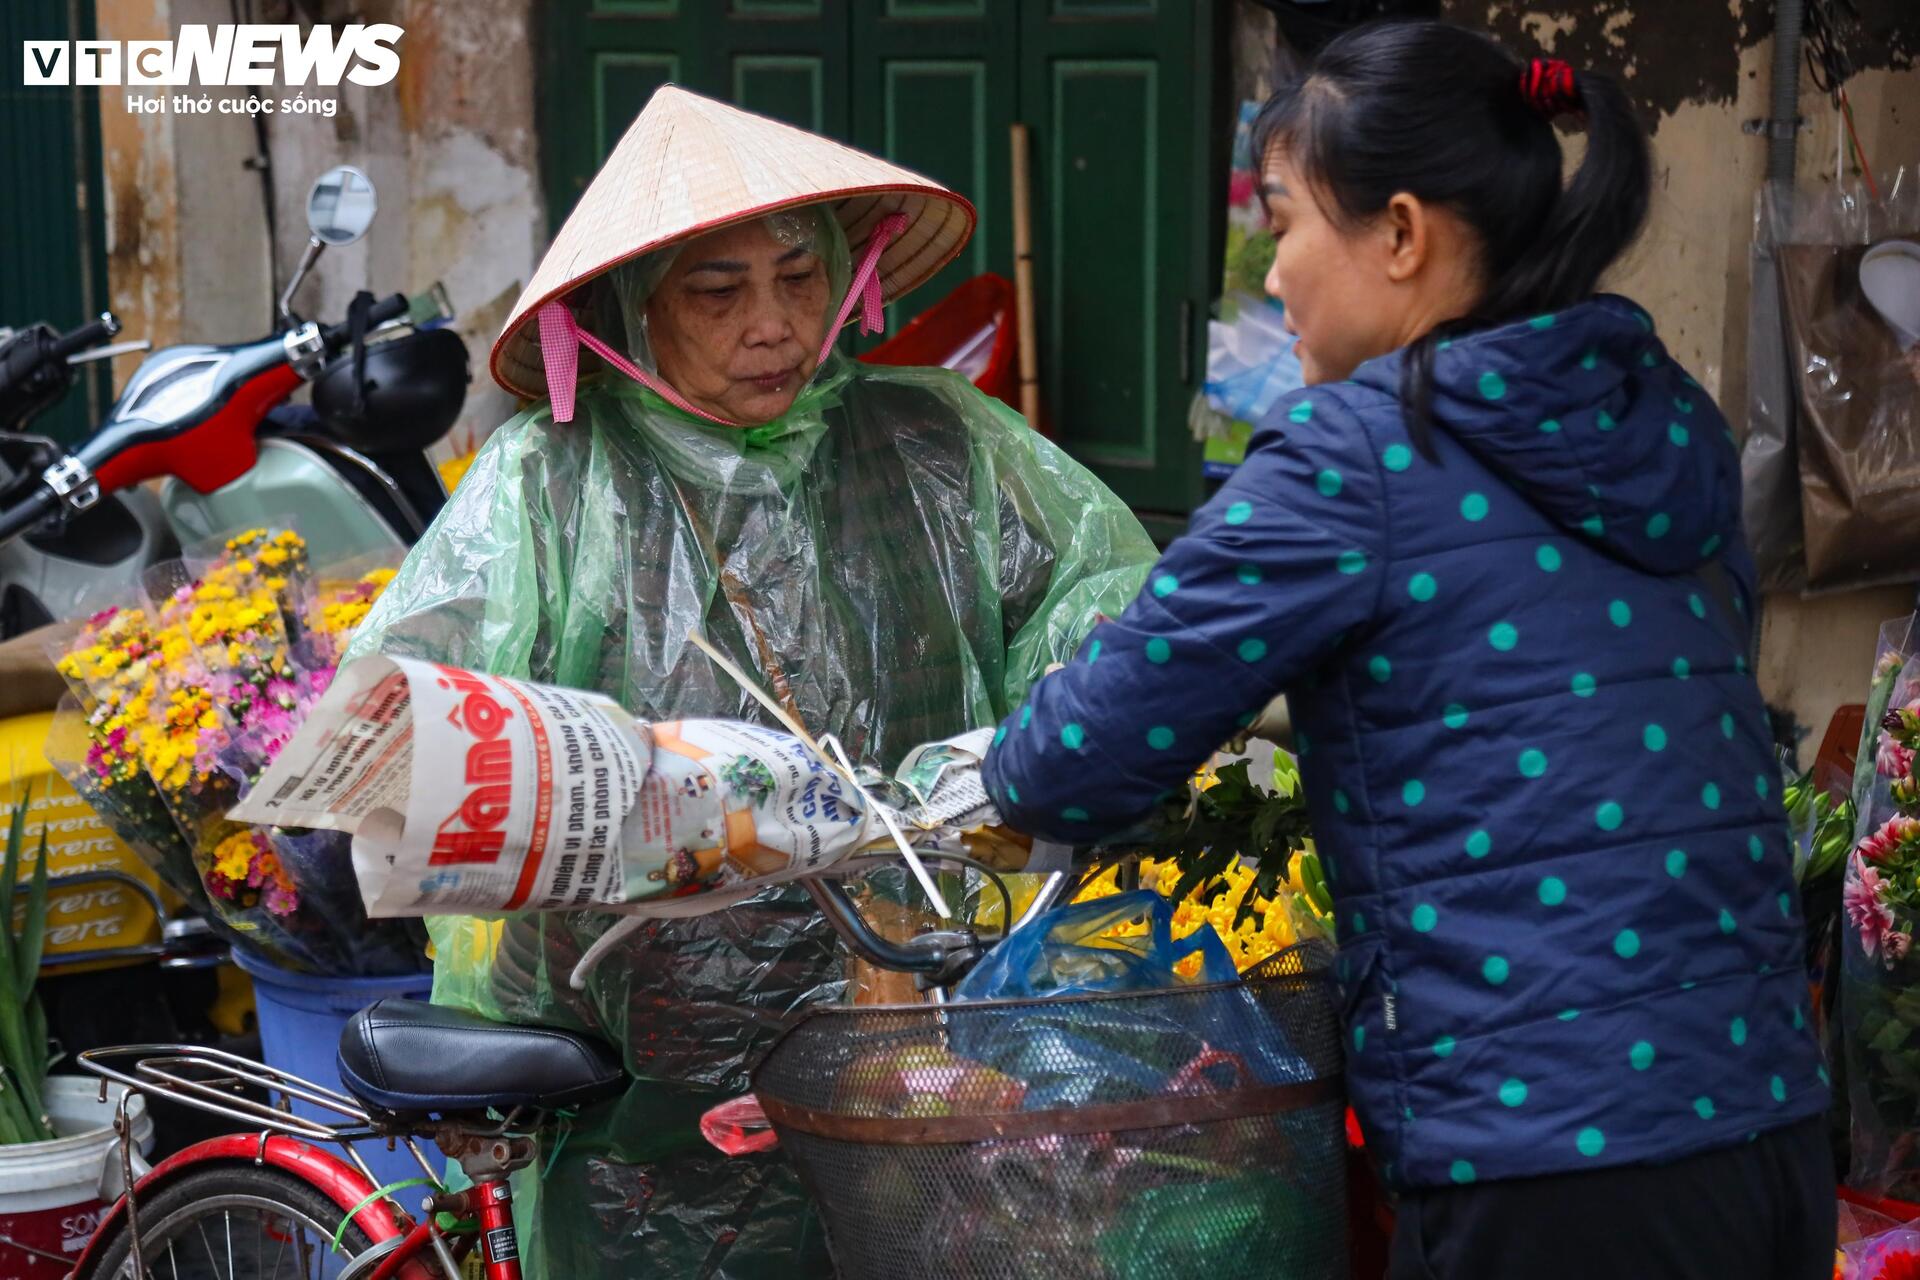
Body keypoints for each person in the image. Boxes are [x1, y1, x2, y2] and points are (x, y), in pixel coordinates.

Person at [981, 22, 1835, 1280]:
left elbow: (1078, 755)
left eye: (1282, 224)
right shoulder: (1668, 421)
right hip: (1769, 1130)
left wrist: (1000, 757)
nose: (1272, 276)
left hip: (1546, 1160)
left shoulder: (1357, 458)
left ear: (1398, 233)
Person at [347, 87, 1157, 1277]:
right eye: (718, 293)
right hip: (640, 1048)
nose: (772, 324)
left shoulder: (938, 439)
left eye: (800, 276)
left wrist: (991, 766)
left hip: (923, 1002)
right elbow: (413, 710)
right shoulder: (551, 482)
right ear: (633, 311)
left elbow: (1107, 611)